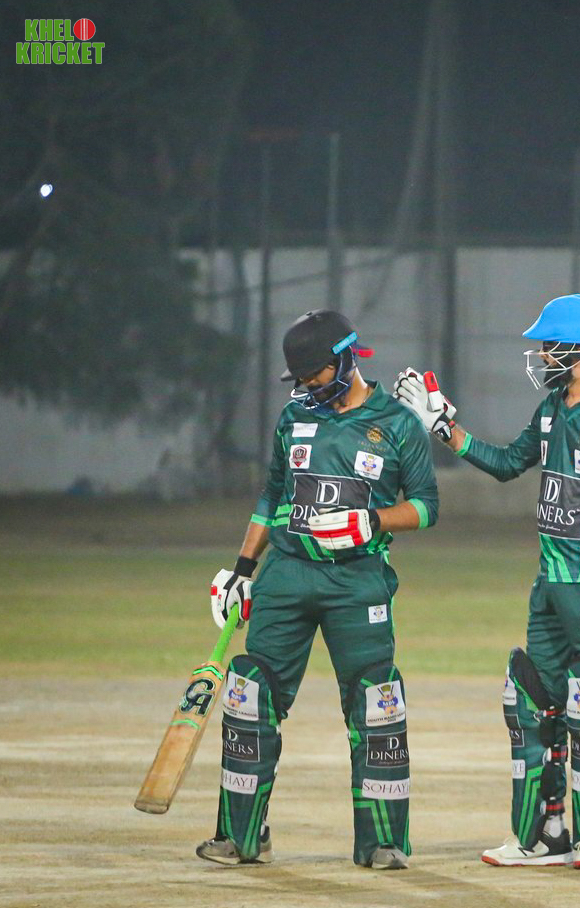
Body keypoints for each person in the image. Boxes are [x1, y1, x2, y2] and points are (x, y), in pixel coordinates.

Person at [394, 294, 580, 870]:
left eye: (550, 346)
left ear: (579, 349)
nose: (543, 355)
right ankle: (542, 836)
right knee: (532, 704)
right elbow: (507, 464)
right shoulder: (553, 407)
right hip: (550, 582)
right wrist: (444, 428)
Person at [197, 309, 438, 870]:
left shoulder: (398, 423)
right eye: (300, 378)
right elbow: (271, 496)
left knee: (376, 704)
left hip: (358, 580)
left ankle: (381, 841)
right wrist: (242, 569)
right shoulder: (294, 417)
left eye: (315, 374)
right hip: (287, 574)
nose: (307, 385)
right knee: (250, 696)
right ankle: (241, 836)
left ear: (347, 358)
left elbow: (427, 507)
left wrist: (372, 521)